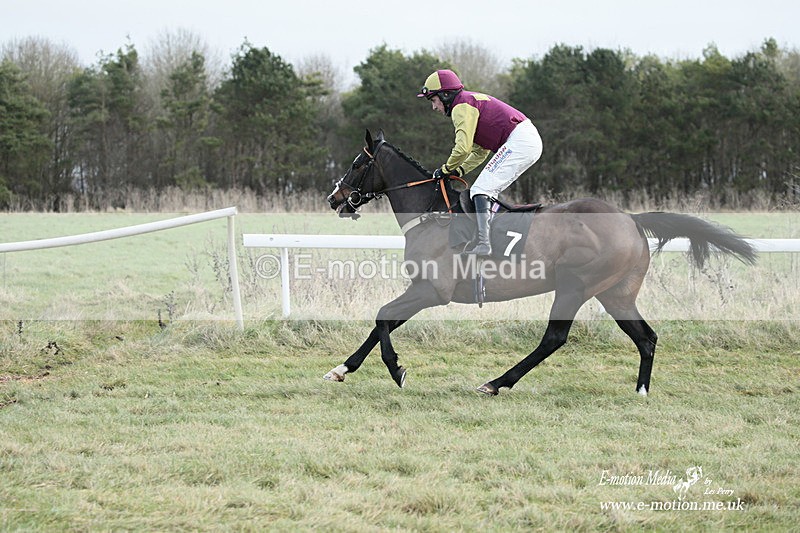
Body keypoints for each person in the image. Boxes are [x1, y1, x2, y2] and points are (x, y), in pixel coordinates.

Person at [417, 69, 542, 256]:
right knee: (484, 189)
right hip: (525, 139)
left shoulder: (461, 107)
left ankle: (484, 244)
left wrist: (445, 169)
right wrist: (458, 170)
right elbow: (479, 152)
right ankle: (492, 236)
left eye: (433, 101)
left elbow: (462, 148)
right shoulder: (467, 103)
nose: (434, 107)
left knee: (481, 190)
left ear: (445, 95)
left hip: (520, 140)